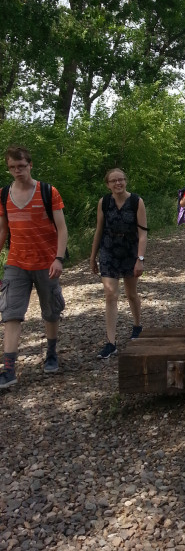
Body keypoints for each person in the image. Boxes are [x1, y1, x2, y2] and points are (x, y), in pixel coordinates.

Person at [0, 146, 68, 389]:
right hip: (16, 263)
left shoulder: (48, 192)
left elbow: (61, 228)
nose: (17, 171)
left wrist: (58, 258)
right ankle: (8, 369)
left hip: (47, 262)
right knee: (10, 313)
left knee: (50, 311)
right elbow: (2, 230)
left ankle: (51, 352)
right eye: (12, 167)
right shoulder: (3, 195)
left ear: (30, 165)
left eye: (21, 166)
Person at [90, 168, 147, 359]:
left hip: (130, 251)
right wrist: (93, 256)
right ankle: (110, 342)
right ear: (108, 184)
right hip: (108, 251)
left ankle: (137, 325)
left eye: (121, 179)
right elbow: (99, 229)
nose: (118, 183)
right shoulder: (104, 203)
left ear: (126, 181)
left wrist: (140, 259)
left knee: (131, 294)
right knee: (110, 295)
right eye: (113, 181)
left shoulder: (136, 201)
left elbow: (143, 233)